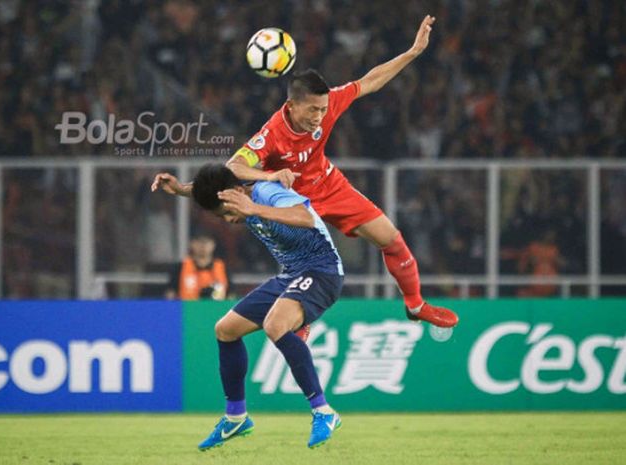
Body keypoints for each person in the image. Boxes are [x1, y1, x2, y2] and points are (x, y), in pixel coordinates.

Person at [152, 15, 458, 328]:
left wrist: (413, 52)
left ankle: (416, 305)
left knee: (392, 239)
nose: (319, 116)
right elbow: (234, 168)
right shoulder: (271, 133)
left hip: (329, 185)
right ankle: (297, 323)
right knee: (307, 272)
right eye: (312, 110)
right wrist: (188, 188)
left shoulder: (328, 106)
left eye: (323, 109)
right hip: (290, 201)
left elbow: (370, 81)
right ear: (292, 105)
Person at [180, 163, 344, 450]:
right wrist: (179, 190)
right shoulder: (237, 191)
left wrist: (253, 209)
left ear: (237, 193)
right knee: (226, 330)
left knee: (274, 325)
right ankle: (236, 417)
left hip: (322, 271)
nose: (230, 220)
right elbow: (220, 176)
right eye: (223, 216)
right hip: (291, 275)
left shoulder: (268, 193)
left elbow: (305, 217)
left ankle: (324, 412)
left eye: (228, 212)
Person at [166, 235, 229, 300]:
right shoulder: (180, 267)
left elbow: (231, 295)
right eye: (199, 242)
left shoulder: (223, 267)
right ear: (191, 244)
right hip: (188, 308)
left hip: (218, 308)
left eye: (206, 242)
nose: (202, 246)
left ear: (213, 245)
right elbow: (170, 295)